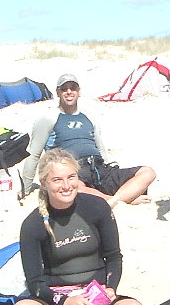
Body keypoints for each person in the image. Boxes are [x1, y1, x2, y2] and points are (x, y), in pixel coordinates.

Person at [11, 149, 145, 305]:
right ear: (44, 183)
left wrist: (110, 288)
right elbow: (35, 282)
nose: (66, 186)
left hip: (95, 296)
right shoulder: (33, 224)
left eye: (71, 177)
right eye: (57, 180)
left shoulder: (97, 208)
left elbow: (113, 256)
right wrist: (65, 301)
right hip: (56, 300)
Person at [20, 74, 156, 208]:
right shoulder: (48, 119)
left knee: (147, 172)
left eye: (73, 88)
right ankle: (120, 200)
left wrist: (107, 168)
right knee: (74, 188)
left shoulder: (89, 117)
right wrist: (26, 189)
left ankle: (114, 200)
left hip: (99, 167)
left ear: (79, 91)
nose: (69, 91)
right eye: (64, 88)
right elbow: (34, 154)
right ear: (58, 92)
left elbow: (100, 148)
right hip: (73, 169)